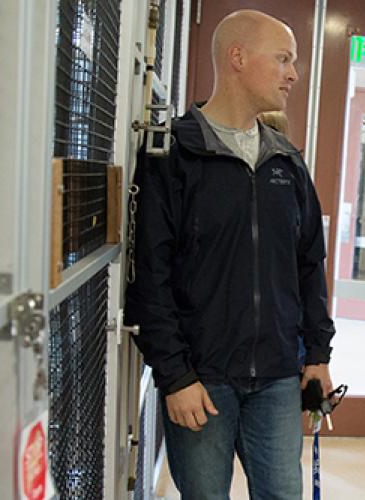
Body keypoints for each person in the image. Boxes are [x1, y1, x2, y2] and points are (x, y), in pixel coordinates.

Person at [124, 10, 334, 499]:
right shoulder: (173, 155)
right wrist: (175, 375)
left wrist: (318, 355)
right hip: (202, 380)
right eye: (283, 59)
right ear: (237, 58)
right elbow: (149, 278)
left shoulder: (288, 161)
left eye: (294, 62)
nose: (293, 74)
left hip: (279, 377)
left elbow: (309, 265)